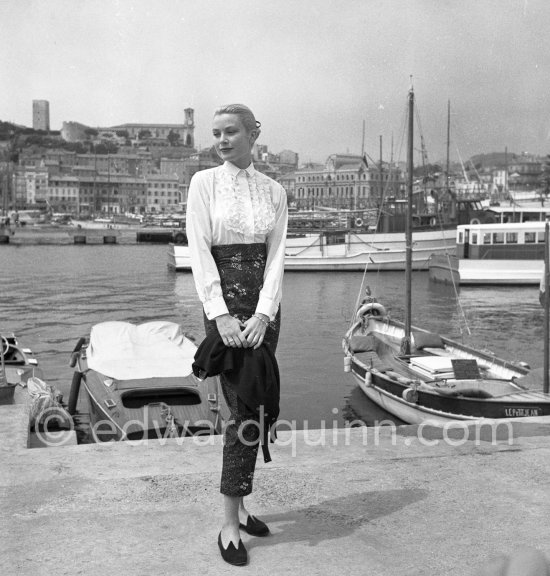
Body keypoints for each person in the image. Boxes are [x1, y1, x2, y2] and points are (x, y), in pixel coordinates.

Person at [186, 104, 288, 566]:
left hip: (264, 315)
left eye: (231, 132)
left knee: (258, 406)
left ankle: (242, 509)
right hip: (224, 311)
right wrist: (222, 316)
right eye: (216, 133)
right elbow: (200, 251)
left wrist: (264, 315)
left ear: (253, 134)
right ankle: (229, 523)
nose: (222, 140)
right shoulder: (203, 184)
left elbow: (278, 255)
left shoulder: (275, 191)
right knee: (242, 413)